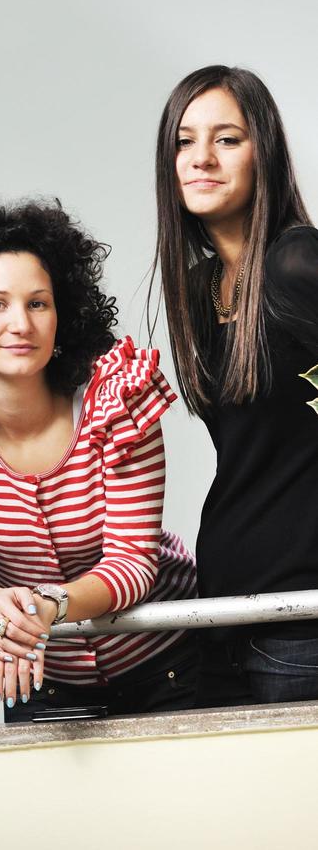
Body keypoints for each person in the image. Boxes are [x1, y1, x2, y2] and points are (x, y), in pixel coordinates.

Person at [0, 200, 199, 719]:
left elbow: (132, 564)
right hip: (41, 676)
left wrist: (41, 605)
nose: (21, 324)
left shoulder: (116, 402)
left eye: (38, 303)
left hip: (168, 661)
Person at [152, 65, 318, 706]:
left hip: (302, 621)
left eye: (227, 139)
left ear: (263, 152)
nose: (201, 159)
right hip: (222, 612)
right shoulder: (199, 290)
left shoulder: (296, 262)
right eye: (184, 141)